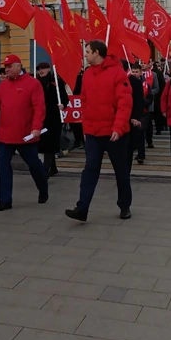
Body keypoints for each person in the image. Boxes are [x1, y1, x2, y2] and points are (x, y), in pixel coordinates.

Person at [65, 40, 133, 223]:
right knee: (90, 170)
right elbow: (85, 103)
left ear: (96, 53)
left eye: (87, 51)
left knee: (121, 171)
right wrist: (86, 130)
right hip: (94, 133)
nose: (85, 55)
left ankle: (124, 205)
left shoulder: (117, 73)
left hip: (114, 134)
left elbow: (124, 104)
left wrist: (118, 128)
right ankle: (82, 208)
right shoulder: (87, 74)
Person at [0, 55, 47, 211]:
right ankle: (5, 200)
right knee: (3, 167)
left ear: (19, 66)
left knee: (34, 165)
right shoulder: (3, 85)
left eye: (9, 66)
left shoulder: (33, 84)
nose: (6, 69)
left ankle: (43, 188)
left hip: (25, 135)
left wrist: (36, 127)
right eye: (5, 66)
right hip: (5, 135)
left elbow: (39, 108)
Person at [35, 62, 67, 177]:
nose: (40, 71)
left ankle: (45, 169)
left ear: (49, 69)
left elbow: (64, 98)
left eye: (43, 68)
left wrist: (63, 105)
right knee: (45, 143)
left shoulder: (55, 82)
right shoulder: (36, 82)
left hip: (53, 117)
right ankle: (52, 168)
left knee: (50, 143)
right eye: (39, 69)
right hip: (41, 117)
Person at [125, 62, 149, 167]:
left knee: (141, 134)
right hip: (132, 112)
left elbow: (152, 94)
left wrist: (146, 102)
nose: (134, 73)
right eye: (133, 71)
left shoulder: (146, 82)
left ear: (141, 72)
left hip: (143, 112)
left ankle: (141, 154)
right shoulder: (128, 82)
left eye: (136, 72)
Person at [141, 62, 158, 148]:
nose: (143, 65)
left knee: (148, 124)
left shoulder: (153, 75)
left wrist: (149, 92)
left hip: (148, 102)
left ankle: (149, 140)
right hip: (139, 103)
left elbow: (157, 88)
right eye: (141, 63)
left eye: (144, 63)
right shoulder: (136, 74)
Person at [70, 69, 86, 150]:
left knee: (81, 124)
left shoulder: (82, 78)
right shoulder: (69, 78)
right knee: (74, 124)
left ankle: (82, 141)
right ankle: (78, 140)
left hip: (79, 103)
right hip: (72, 105)